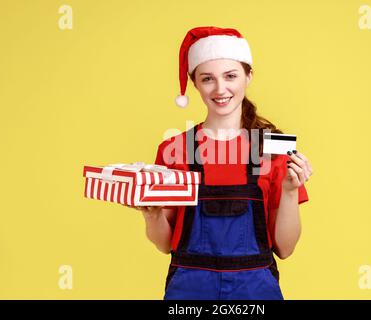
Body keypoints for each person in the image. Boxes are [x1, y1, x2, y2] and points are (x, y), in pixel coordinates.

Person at [125, 26, 313, 300]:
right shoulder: (175, 149)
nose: (220, 88)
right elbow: (165, 244)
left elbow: (285, 248)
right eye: (207, 79)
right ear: (195, 83)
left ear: (248, 76)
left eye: (230, 76)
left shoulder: (273, 148)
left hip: (255, 295)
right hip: (189, 293)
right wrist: (151, 213)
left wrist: (289, 189)